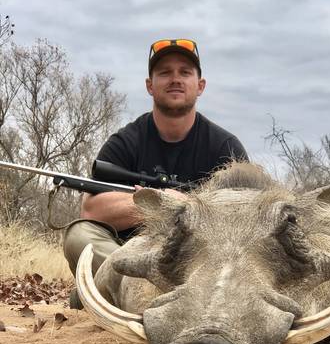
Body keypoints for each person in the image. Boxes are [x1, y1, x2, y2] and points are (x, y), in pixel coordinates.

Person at [63, 38, 248, 307]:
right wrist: (154, 205)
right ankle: (142, 294)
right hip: (133, 259)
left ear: (200, 85)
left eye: (185, 72)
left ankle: (111, 292)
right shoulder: (125, 142)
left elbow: (245, 219)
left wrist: (188, 207)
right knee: (79, 236)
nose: (175, 79)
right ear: (150, 85)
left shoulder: (225, 148)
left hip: (199, 263)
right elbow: (91, 210)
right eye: (165, 72)